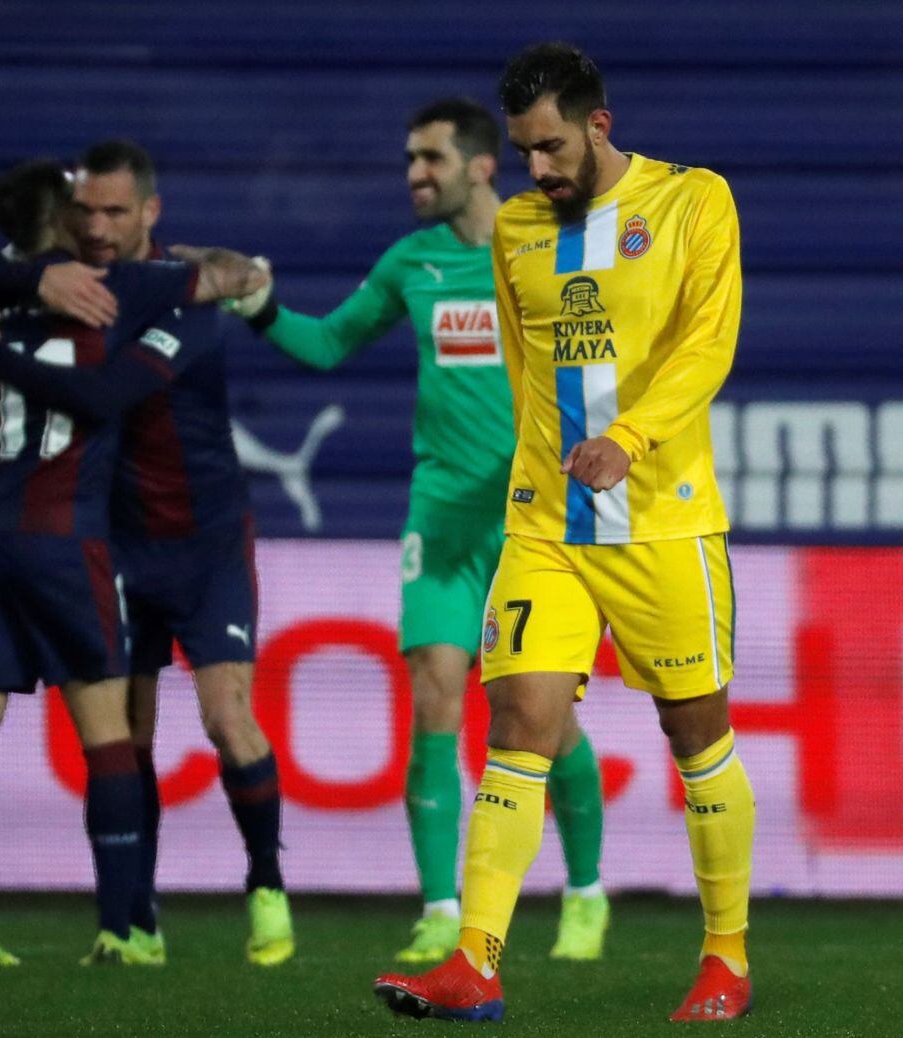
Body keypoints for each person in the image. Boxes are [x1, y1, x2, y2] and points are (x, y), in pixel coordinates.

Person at [373, 43, 754, 1023]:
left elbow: (709, 344)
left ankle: (726, 961)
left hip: (664, 524)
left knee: (694, 730)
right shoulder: (516, 232)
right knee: (521, 719)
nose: (535, 170)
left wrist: (628, 438)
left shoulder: (693, 203)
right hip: (547, 526)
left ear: (598, 126)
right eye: (523, 151)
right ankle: (475, 962)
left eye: (550, 148)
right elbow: (525, 370)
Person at [226, 98, 607, 963]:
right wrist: (258, 308)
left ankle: (585, 895)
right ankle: (442, 907)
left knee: (541, 718)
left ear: (480, 166)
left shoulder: (543, 245)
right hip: (438, 520)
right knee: (437, 697)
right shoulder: (411, 262)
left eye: (429, 159)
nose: (413, 175)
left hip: (531, 525)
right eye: (408, 159)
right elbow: (326, 345)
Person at [0, 140, 295, 967]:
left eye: (115, 212)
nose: (98, 227)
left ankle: (267, 882)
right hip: (118, 543)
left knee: (226, 717)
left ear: (149, 214)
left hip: (206, 545)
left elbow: (115, 385)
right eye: (86, 212)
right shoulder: (76, 291)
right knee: (128, 739)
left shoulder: (176, 299)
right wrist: (32, 282)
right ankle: (136, 916)